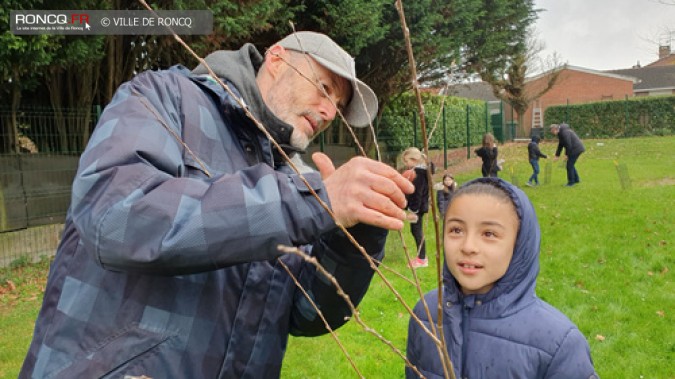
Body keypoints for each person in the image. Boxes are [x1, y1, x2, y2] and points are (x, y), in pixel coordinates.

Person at [20, 31, 415, 378]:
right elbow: (115, 217)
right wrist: (314, 201)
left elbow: (308, 314)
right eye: (325, 88)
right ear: (276, 61)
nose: (330, 112)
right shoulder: (164, 97)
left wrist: (351, 236)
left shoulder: (295, 179)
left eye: (338, 107)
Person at [406, 178, 598, 379]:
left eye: (489, 233)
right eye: (456, 230)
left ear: (519, 244)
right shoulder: (425, 313)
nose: (468, 246)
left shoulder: (558, 344)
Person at [401, 147, 430, 269]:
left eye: (407, 162)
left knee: (417, 231)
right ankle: (421, 257)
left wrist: (413, 211)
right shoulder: (421, 171)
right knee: (415, 231)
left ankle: (422, 259)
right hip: (419, 207)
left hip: (417, 208)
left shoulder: (418, 174)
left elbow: (417, 194)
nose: (406, 165)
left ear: (413, 160)